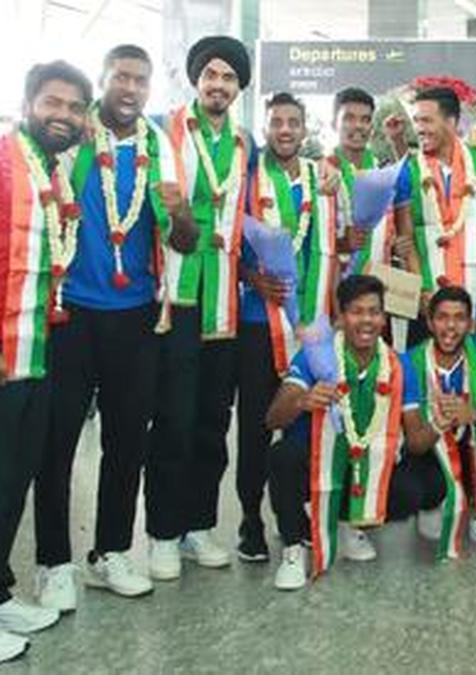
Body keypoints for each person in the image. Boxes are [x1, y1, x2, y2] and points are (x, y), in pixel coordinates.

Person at [34, 45, 195, 607]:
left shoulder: (160, 147)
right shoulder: (72, 138)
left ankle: (110, 551)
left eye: (140, 80)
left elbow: (185, 241)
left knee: (127, 442)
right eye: (120, 76)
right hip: (71, 314)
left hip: (136, 316)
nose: (129, 87)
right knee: (57, 444)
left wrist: (179, 212)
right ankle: (53, 562)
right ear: (103, 80)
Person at [148, 34, 257, 572]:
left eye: (228, 77)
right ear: (196, 80)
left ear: (239, 88)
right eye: (210, 74)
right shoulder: (163, 130)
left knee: (214, 419)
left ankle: (198, 525)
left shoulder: (245, 143)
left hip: (224, 302)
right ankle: (163, 533)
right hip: (179, 295)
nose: (218, 84)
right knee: (174, 417)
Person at [0, 58, 92, 663]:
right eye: (52, 103)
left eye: (74, 107)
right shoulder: (6, 162)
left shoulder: (52, 172)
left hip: (35, 351)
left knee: (13, 479)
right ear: (28, 103)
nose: (63, 115)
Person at [264, 275, 438, 589]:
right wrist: (303, 401)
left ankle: (348, 523)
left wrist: (440, 422)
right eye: (357, 312)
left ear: (384, 318)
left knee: (412, 490)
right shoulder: (317, 354)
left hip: (365, 466)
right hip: (315, 464)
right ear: (341, 317)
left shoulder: (397, 365)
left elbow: (415, 441)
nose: (366, 320)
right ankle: (293, 548)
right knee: (283, 456)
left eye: (374, 312)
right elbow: (273, 419)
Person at [237, 91, 340, 566]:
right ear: (265, 128)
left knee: (307, 418)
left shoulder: (324, 179)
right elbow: (229, 245)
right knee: (257, 424)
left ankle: (295, 515)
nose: (284, 130)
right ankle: (250, 519)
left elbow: (336, 244)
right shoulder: (247, 178)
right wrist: (251, 277)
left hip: (311, 326)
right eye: (276, 122)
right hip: (259, 323)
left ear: (304, 129)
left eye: (292, 122)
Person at [400, 286, 476, 557]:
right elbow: (413, 444)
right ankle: (433, 504)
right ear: (430, 322)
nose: (450, 327)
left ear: (471, 324)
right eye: (442, 317)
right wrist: (437, 424)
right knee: (413, 481)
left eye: (459, 318)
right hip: (431, 449)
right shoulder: (410, 361)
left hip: (472, 443)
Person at [393, 86, 476, 344]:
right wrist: (420, 289)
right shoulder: (408, 171)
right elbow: (406, 237)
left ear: (451, 122)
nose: (419, 129)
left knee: (475, 364)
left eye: (427, 120)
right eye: (416, 121)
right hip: (430, 297)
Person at [328, 86, 394, 276]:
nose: (358, 126)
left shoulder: (385, 174)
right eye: (349, 118)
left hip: (379, 283)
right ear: (334, 124)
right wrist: (341, 243)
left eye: (365, 119)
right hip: (334, 283)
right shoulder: (321, 172)